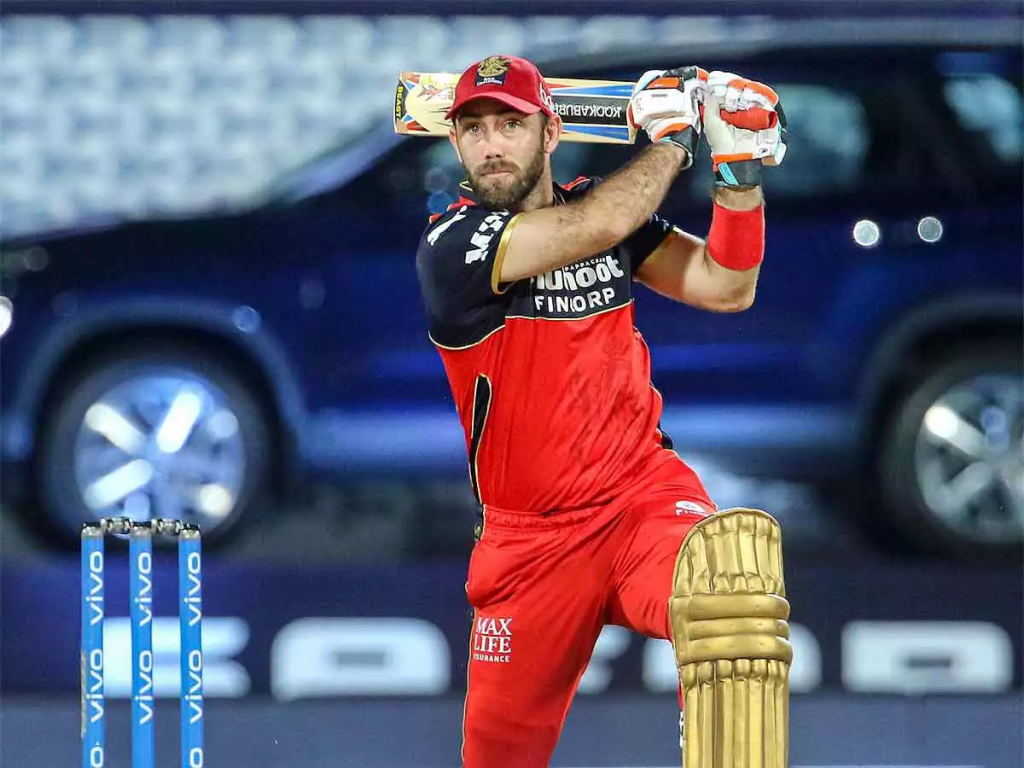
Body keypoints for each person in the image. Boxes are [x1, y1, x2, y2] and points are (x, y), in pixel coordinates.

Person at [414, 54, 793, 768]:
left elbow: (726, 285)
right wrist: (673, 141)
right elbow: (598, 223)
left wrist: (739, 173)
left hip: (640, 500)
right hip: (531, 545)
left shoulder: (605, 214)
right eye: (473, 129)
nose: (491, 145)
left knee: (728, 593)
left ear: (550, 133)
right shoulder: (453, 245)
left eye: (510, 125)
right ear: (455, 143)